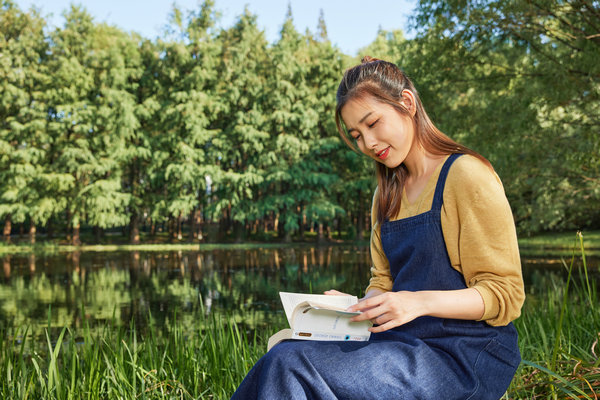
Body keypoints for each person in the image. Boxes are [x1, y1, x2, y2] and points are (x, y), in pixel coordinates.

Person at [231, 56, 525, 400]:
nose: (368, 144)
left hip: (463, 355)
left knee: (290, 364)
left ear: (407, 103)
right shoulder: (385, 195)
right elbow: (383, 283)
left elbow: (505, 295)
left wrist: (415, 303)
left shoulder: (466, 175)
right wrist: (357, 307)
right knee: (284, 350)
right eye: (356, 135)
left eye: (373, 123)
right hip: (400, 343)